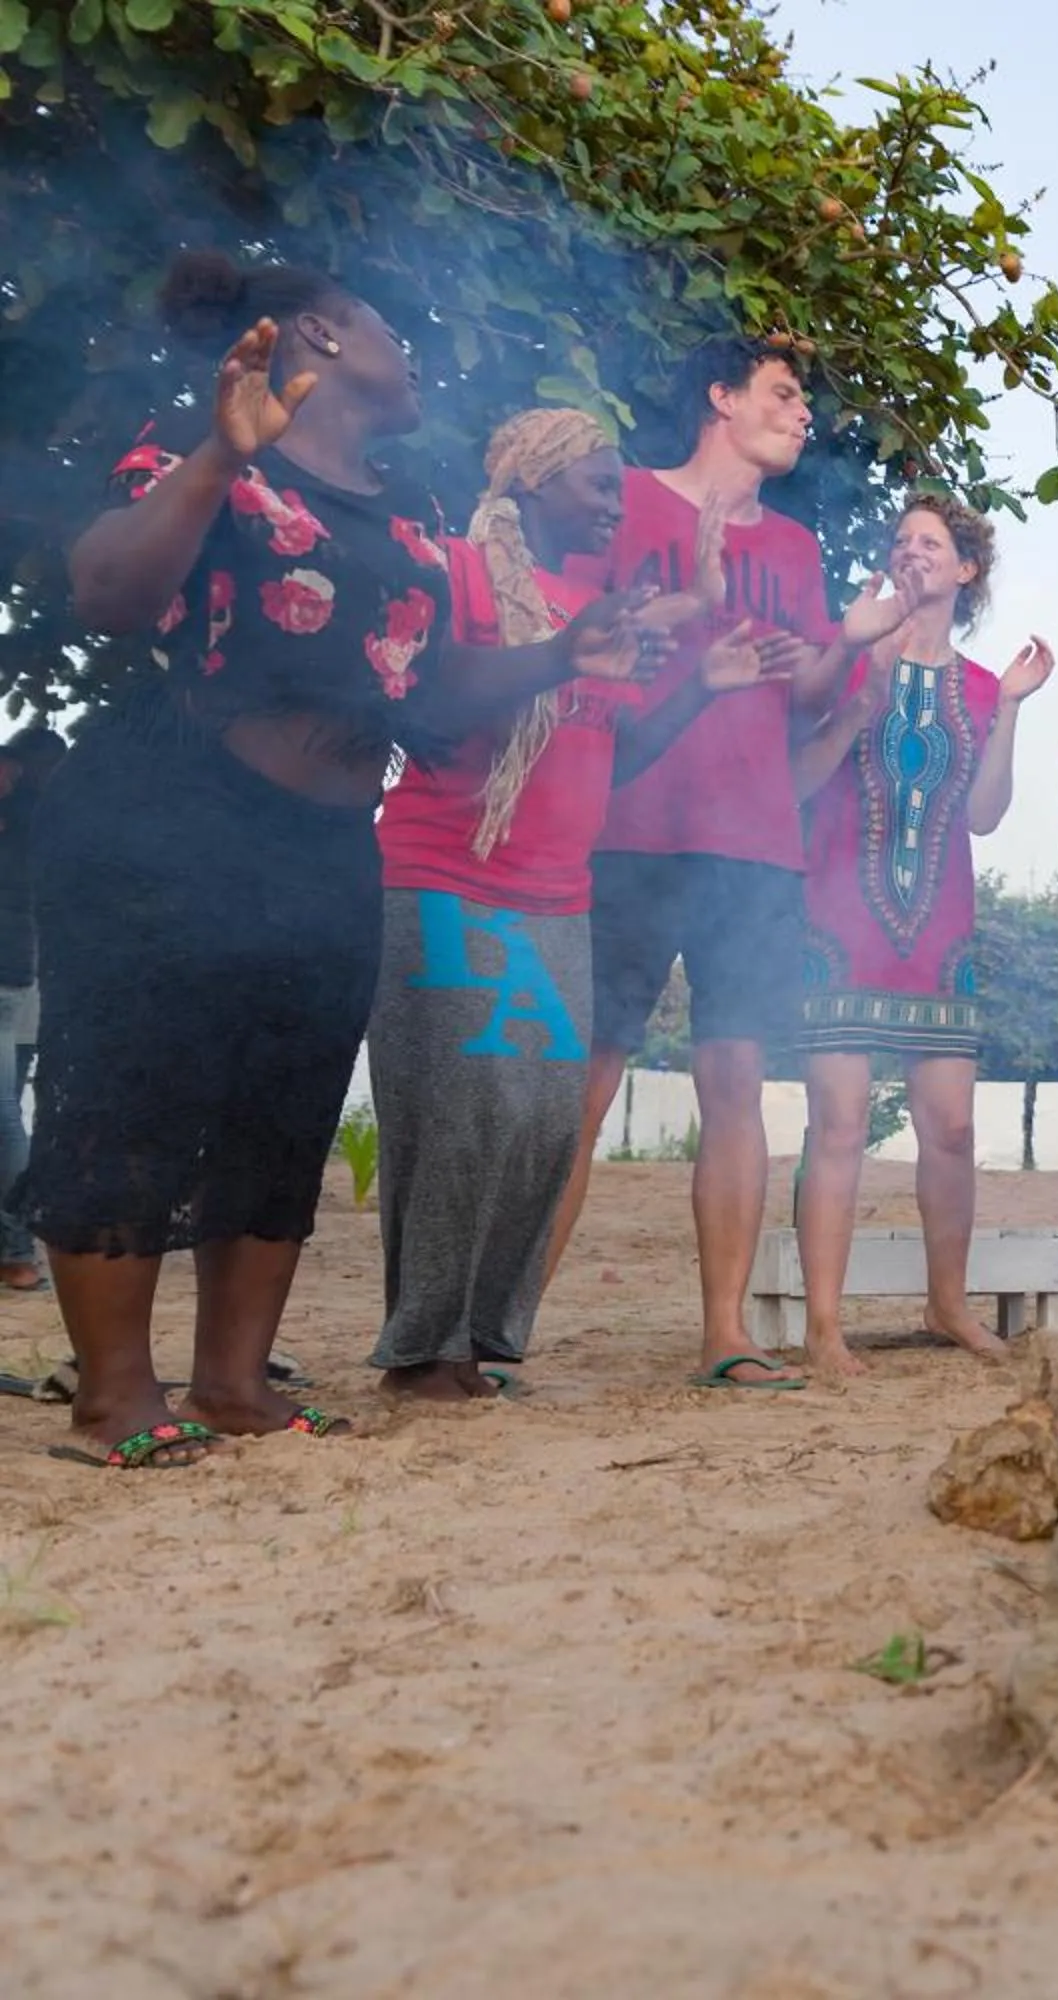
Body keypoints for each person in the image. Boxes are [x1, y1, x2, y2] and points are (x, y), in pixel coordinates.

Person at [48, 252, 652, 1466]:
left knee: (284, 1103)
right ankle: (117, 1396)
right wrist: (222, 456)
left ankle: (232, 1383)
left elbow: (426, 686)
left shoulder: (409, 506)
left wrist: (561, 653)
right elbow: (105, 591)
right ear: (321, 333)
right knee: (134, 1088)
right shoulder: (204, 442)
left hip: (329, 841)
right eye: (388, 326)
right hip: (174, 811)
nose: (413, 351)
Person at [368, 408, 801, 1403]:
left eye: (616, 485)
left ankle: (480, 1340)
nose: (615, 502)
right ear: (529, 479)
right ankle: (420, 1352)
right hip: (447, 874)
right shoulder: (460, 572)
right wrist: (562, 653)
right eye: (597, 484)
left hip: (559, 894)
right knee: (463, 1116)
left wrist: (701, 688)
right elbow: (428, 708)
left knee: (542, 1124)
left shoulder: (594, 605)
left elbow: (616, 754)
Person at [551, 336, 908, 1391]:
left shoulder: (795, 548)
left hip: (754, 839)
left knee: (737, 1082)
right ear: (719, 396)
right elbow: (582, 641)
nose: (804, 415)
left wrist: (843, 645)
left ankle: (724, 1332)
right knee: (587, 1079)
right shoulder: (624, 500)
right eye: (784, 394)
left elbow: (798, 695)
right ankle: (501, 1316)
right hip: (625, 824)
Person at [785, 496, 1053, 1376]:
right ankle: (826, 1328)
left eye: (930, 543)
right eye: (900, 539)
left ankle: (947, 1305)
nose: (912, 552)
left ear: (966, 570)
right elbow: (797, 780)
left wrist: (1011, 706)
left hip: (939, 929)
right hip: (837, 920)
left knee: (948, 1129)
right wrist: (856, 698)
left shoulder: (980, 688)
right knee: (839, 1123)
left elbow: (983, 816)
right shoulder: (851, 656)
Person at [0, 726, 67, 1293]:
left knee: (4, 1116)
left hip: (13, 973)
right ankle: (16, 1251)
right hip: (28, 974)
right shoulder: (46, 819)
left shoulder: (24, 818)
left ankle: (17, 1252)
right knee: (9, 1111)